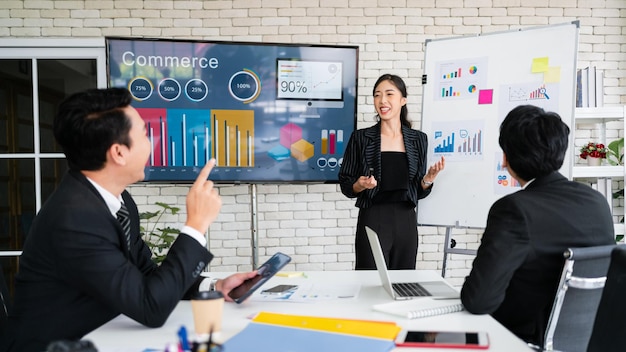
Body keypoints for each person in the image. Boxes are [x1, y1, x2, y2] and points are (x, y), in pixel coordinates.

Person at [1, 88, 257, 352]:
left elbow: (146, 276)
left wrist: (213, 285)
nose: (151, 143)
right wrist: (196, 225)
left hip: (107, 336)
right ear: (119, 153)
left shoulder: (119, 201)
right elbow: (150, 307)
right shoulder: (74, 219)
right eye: (145, 134)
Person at [460, 105, 615, 347]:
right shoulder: (597, 202)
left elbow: (479, 300)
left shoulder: (514, 209)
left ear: (508, 157)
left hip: (519, 340)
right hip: (586, 341)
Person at [339, 74, 445, 270]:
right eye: (377, 95)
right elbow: (346, 184)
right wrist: (360, 185)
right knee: (369, 281)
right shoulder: (361, 138)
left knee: (404, 283)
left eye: (389, 94)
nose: (382, 100)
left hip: (406, 220)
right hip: (372, 217)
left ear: (403, 100)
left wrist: (428, 179)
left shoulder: (418, 139)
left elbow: (419, 192)